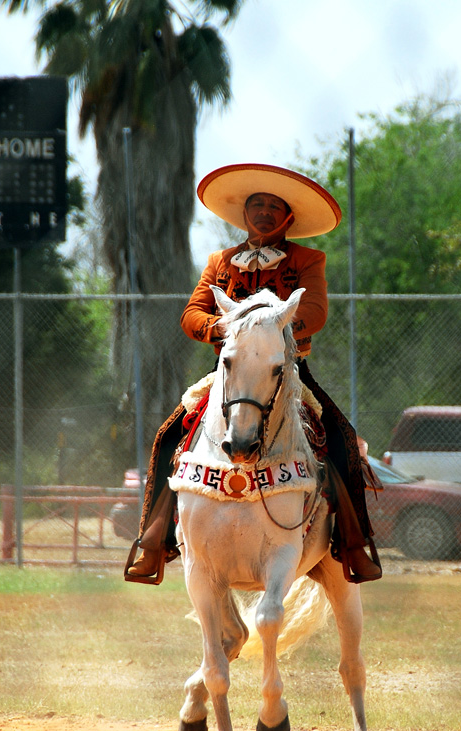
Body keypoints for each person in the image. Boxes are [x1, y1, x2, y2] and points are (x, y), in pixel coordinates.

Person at [124, 162, 381, 586]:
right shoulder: (220, 261)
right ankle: (154, 542)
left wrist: (270, 332)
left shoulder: (307, 259)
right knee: (169, 435)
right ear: (244, 214)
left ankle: (354, 542)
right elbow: (192, 313)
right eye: (256, 204)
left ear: (288, 217)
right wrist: (222, 329)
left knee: (340, 437)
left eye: (272, 205)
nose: (263, 211)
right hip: (228, 373)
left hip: (286, 370)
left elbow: (314, 311)